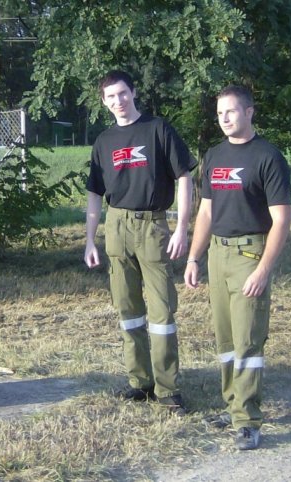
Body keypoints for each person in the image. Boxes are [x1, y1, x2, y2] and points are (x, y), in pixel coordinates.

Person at [184, 85, 291, 450]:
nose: (224, 118)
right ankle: (233, 407)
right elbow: (206, 212)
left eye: (231, 111)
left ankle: (248, 421)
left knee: (247, 340)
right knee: (227, 341)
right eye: (219, 113)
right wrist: (194, 257)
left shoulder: (268, 157)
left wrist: (262, 270)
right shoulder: (214, 156)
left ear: (249, 112)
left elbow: (281, 221)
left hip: (250, 255)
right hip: (218, 255)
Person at [84, 70, 197, 414]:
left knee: (161, 311)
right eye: (110, 96)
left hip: (152, 226)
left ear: (133, 92)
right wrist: (90, 240)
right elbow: (94, 193)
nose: (118, 101)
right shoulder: (104, 141)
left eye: (122, 93)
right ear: (104, 102)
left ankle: (167, 389)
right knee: (128, 309)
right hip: (116, 226)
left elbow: (184, 176)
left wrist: (181, 227)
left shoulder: (157, 129)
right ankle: (140, 381)